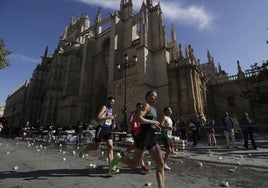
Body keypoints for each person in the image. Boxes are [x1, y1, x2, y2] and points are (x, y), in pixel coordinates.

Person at [109, 90, 165, 188]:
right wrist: (152, 122)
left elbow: (150, 122)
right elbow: (137, 119)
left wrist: (156, 126)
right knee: (134, 164)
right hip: (143, 138)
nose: (155, 97)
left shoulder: (154, 109)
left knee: (160, 163)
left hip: (151, 139)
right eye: (153, 96)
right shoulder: (146, 106)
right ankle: (118, 158)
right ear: (147, 97)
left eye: (156, 96)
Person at [79, 96, 117, 173]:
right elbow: (98, 117)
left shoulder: (111, 109)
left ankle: (111, 167)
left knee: (110, 147)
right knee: (96, 146)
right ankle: (85, 149)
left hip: (108, 129)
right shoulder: (104, 107)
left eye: (113, 102)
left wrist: (112, 122)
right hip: (101, 128)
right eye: (111, 102)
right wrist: (109, 117)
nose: (112, 103)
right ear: (108, 101)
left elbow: (109, 119)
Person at [126, 102, 150, 174]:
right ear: (137, 107)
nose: (141, 108)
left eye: (141, 107)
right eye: (139, 107)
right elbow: (130, 121)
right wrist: (132, 123)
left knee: (137, 146)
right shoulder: (134, 113)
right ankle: (142, 165)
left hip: (141, 132)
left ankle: (125, 152)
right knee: (139, 147)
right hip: (135, 132)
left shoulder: (143, 113)